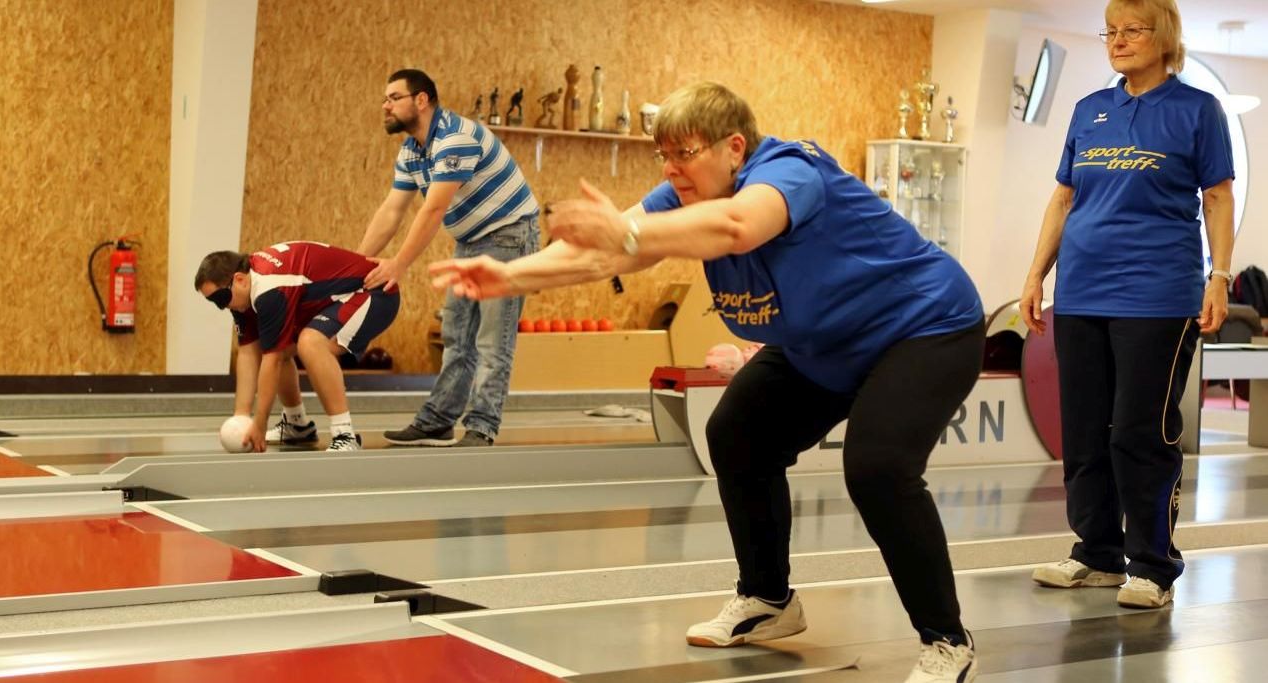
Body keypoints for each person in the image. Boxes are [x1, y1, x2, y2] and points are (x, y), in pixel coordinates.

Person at [431, 82, 986, 683]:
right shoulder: (682, 194)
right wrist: (511, 276)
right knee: (738, 435)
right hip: (827, 343)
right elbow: (606, 252)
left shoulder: (791, 172)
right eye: (663, 155)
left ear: (734, 148)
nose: (670, 169)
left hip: (923, 326)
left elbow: (735, 228)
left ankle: (947, 641)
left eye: (684, 153)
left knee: (877, 470)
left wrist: (626, 235)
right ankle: (768, 599)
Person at [1020, 0, 1235, 610]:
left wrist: (1220, 276)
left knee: (1141, 432)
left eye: (1132, 30)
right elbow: (1063, 199)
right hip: (1081, 293)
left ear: (1163, 36)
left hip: (1157, 297)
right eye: (1110, 31)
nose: (1117, 40)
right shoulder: (1090, 109)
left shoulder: (1197, 109)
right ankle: (1096, 554)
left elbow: (1218, 197)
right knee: (1084, 432)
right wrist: (1036, 274)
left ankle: (1153, 565)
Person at [360, 69, 540, 448]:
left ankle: (482, 427)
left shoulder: (455, 139)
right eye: (385, 99)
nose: (385, 106)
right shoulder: (412, 150)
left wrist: (399, 264)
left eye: (394, 98)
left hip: (509, 236)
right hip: (471, 240)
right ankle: (438, 420)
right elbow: (392, 211)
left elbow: (433, 209)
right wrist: (357, 262)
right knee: (456, 336)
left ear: (421, 100)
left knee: (492, 340)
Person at [195, 242, 400, 453]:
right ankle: (297, 424)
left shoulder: (269, 289)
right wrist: (241, 416)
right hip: (337, 299)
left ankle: (344, 434)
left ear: (239, 279)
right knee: (281, 347)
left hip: (376, 293)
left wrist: (260, 422)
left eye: (221, 299)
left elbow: (271, 360)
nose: (222, 306)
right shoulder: (242, 293)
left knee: (310, 343)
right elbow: (248, 352)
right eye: (215, 302)